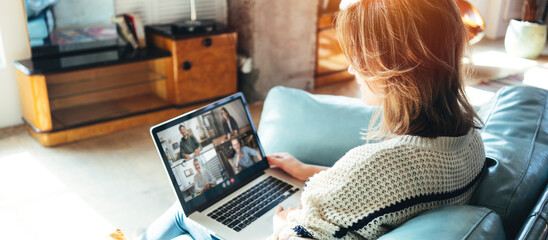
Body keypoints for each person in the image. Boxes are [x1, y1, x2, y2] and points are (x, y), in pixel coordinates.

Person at [141, 0, 485, 239]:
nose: (352, 69)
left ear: (392, 68)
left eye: (358, 59)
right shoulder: (469, 137)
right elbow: (380, 197)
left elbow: (360, 192)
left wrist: (284, 226)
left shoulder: (379, 166)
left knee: (185, 212)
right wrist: (308, 172)